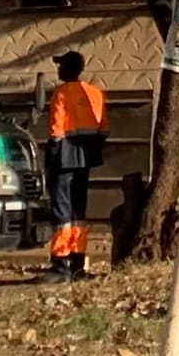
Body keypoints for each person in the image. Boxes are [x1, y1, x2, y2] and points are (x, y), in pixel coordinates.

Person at [40, 51, 106, 281]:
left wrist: (53, 151)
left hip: (63, 157)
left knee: (61, 209)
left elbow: (56, 129)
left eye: (60, 66)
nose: (58, 70)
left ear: (67, 69)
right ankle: (77, 262)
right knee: (78, 210)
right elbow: (103, 129)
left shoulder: (60, 94)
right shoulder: (95, 93)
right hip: (86, 157)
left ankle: (60, 264)